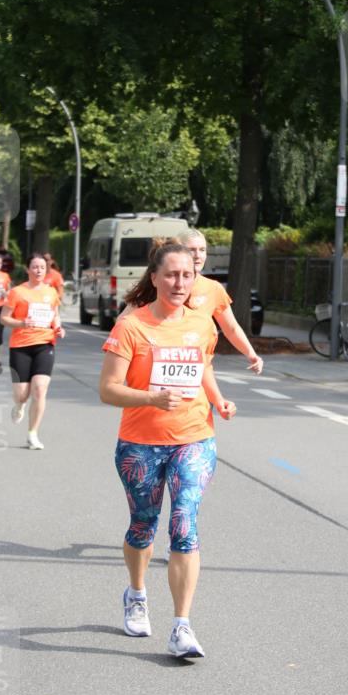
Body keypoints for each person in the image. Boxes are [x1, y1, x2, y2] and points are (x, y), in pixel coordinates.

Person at [99, 241, 236, 659]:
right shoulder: (132, 326)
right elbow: (108, 390)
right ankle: (137, 594)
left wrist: (217, 400)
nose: (180, 282)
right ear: (154, 278)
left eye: (187, 275)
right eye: (172, 275)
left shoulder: (201, 323)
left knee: (184, 522)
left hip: (194, 437)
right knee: (143, 524)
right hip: (140, 443)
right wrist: (151, 398)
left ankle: (182, 626)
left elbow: (203, 366)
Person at [0, 253, 65, 450]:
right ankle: (20, 405)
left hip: (45, 344)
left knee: (39, 389)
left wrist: (59, 327)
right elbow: (4, 318)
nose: (38, 271)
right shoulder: (17, 292)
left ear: (47, 270)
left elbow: (55, 315)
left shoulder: (51, 292)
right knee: (21, 394)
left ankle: (32, 434)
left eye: (42, 267)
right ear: (28, 269)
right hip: (20, 346)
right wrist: (21, 323)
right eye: (35, 267)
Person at [181, 229, 264, 375]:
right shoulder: (159, 284)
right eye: (191, 250)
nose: (198, 255)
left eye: (202, 250)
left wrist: (251, 354)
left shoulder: (213, 288)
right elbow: (128, 321)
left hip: (197, 372)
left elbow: (231, 328)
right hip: (160, 367)